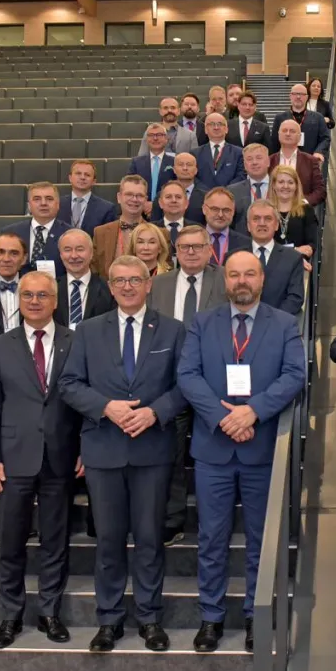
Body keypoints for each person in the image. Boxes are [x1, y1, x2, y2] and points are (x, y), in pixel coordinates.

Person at [177, 250, 306, 653]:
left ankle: (256, 615)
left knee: (260, 540)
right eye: (234, 274)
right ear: (225, 280)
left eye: (250, 274)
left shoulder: (284, 323)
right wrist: (223, 417)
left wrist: (253, 411)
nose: (242, 281)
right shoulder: (202, 323)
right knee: (211, 538)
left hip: (262, 449)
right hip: (213, 449)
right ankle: (211, 617)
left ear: (262, 279)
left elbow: (295, 374)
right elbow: (187, 375)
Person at [59, 255, 187, 653]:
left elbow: (186, 385)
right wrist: (105, 407)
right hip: (104, 449)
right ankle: (109, 620)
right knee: (109, 541)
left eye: (135, 280)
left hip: (152, 450)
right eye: (119, 281)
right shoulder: (87, 330)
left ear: (149, 284)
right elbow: (69, 383)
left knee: (149, 539)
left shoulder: (173, 330)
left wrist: (155, 412)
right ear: (110, 287)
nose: (128, 287)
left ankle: (149, 618)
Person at [0, 271, 79, 649]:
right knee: (10, 540)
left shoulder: (75, 341)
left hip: (60, 455)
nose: (34, 302)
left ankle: (49, 612)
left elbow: (84, 400)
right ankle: (11, 615)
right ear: (19, 301)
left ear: (56, 301)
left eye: (42, 295)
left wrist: (84, 447)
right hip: (12, 457)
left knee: (55, 540)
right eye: (28, 295)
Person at [147, 224, 229, 544]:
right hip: (170, 382)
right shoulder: (158, 284)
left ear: (210, 251)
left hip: (214, 383)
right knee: (171, 453)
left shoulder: (225, 280)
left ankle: (217, 522)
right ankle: (172, 519)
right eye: (184, 247)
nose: (191, 252)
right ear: (176, 252)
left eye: (197, 247)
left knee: (216, 455)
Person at [245, 200, 305, 315]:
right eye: (256, 219)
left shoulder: (293, 258)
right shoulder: (234, 257)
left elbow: (295, 298)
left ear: (277, 225)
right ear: (248, 225)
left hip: (279, 322)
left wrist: (272, 320)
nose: (262, 223)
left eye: (268, 219)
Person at [2, 181, 73, 277]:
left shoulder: (71, 234)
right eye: (37, 199)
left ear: (58, 205)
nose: (43, 203)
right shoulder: (10, 233)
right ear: (29, 206)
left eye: (49, 199)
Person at [92, 175, 153, 279]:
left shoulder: (158, 233)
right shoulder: (100, 233)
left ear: (145, 200)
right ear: (119, 197)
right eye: (129, 194)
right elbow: (94, 272)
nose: (134, 199)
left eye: (140, 195)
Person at [54, 228, 115, 330]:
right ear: (60, 255)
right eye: (67, 250)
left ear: (91, 253)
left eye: (80, 249)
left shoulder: (108, 289)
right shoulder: (52, 288)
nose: (74, 256)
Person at [268, 165, 318, 264]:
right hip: (270, 264)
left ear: (296, 186)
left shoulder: (306, 210)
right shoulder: (266, 210)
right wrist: (294, 250)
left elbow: (310, 247)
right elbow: (264, 245)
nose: (286, 186)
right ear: (273, 185)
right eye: (281, 182)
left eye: (290, 182)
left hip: (298, 263)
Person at [271, 118, 327, 205]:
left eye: (292, 131)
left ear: (300, 137)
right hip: (274, 210)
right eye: (284, 130)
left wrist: (302, 203)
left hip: (301, 210)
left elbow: (320, 191)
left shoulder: (311, 161)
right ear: (278, 134)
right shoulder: (269, 161)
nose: (288, 134)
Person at [56, 160, 119, 235]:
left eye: (87, 175)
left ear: (94, 181)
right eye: (78, 173)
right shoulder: (57, 203)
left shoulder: (106, 209)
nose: (82, 177)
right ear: (70, 178)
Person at [270, 84, 330, 161]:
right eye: (295, 94)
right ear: (290, 96)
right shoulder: (280, 118)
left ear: (307, 97)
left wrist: (319, 152)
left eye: (302, 94)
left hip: (310, 160)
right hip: (286, 162)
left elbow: (325, 138)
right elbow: (274, 142)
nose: (298, 97)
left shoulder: (318, 117)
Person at [129, 124, 178, 212]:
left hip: (168, 210)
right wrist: (143, 203)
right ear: (146, 139)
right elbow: (130, 186)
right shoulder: (136, 162)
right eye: (151, 135)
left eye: (159, 135)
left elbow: (178, 187)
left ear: (166, 139)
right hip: (140, 210)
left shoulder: (175, 162)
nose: (155, 138)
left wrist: (155, 204)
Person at [202, 187, 253, 266]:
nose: (220, 215)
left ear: (233, 212)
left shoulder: (246, 243)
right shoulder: (192, 240)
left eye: (226, 210)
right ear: (204, 209)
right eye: (215, 209)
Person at [194, 113, 246, 189]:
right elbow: (193, 176)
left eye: (220, 124)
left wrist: (225, 191)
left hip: (231, 194)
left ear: (226, 129)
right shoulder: (195, 154)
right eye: (211, 124)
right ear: (205, 130)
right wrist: (205, 192)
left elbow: (241, 175)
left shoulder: (239, 153)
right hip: (203, 194)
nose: (216, 127)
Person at [228, 144, 272, 233]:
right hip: (243, 240)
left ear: (268, 162)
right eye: (249, 159)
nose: (254, 162)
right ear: (244, 165)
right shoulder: (232, 191)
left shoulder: (279, 188)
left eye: (259, 158)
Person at [156, 180, 195, 247]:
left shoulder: (196, 229)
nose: (174, 200)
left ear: (186, 203)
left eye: (178, 197)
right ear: (160, 203)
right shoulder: (151, 229)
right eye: (168, 197)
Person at [172, 152, 207, 225]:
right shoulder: (163, 195)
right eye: (181, 164)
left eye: (189, 165)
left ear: (196, 170)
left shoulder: (206, 197)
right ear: (174, 169)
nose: (185, 168)